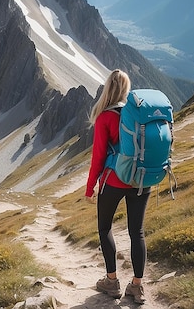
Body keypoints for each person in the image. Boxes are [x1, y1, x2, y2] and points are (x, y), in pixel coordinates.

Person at [85, 69, 149, 304]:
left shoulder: (105, 117)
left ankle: (111, 281)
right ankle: (137, 286)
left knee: (105, 228)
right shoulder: (139, 114)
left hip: (114, 181)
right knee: (137, 232)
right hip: (141, 179)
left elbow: (98, 157)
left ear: (108, 89)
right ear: (126, 89)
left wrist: (90, 187)